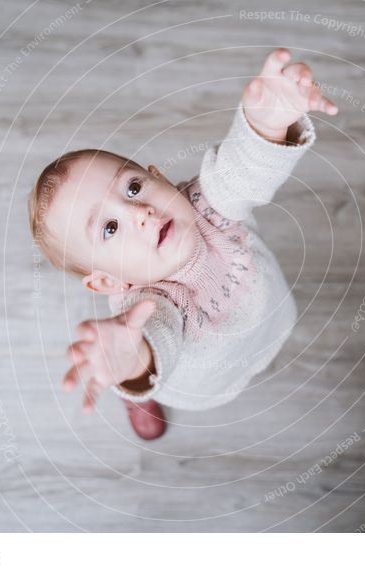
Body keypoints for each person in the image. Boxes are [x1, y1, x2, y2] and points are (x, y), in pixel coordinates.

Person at [28, 48, 338, 439]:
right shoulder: (148, 305)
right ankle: (134, 390)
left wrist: (265, 125)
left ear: (159, 176)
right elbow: (159, 332)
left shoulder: (207, 203)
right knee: (134, 362)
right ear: (108, 282)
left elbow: (241, 170)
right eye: (109, 228)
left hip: (264, 319)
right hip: (188, 375)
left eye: (133, 186)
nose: (138, 211)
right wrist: (134, 356)